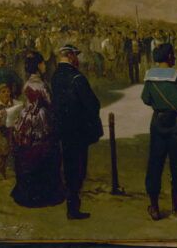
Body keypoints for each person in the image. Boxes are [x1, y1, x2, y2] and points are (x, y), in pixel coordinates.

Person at [141, 43, 177, 221]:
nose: (174, 57)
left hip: (157, 122)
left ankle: (154, 207)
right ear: (169, 57)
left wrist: (158, 105)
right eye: (172, 55)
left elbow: (145, 98)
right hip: (176, 123)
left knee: (155, 164)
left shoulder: (149, 76)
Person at [51, 43, 102, 220]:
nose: (77, 59)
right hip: (78, 131)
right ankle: (73, 209)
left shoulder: (55, 76)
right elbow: (93, 104)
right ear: (70, 56)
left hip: (63, 130)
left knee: (68, 166)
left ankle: (71, 206)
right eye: (75, 55)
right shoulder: (77, 78)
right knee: (78, 169)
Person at [12, 52, 65, 208]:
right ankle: (43, 194)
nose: (44, 66)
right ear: (37, 65)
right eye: (42, 63)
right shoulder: (41, 85)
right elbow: (50, 103)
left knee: (28, 153)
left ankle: (28, 191)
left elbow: (27, 100)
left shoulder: (28, 83)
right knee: (45, 151)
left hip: (27, 118)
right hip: (41, 120)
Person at [0, 82, 22, 179]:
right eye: (3, 92)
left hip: (9, 129)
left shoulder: (13, 102)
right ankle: (0, 172)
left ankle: (3, 171)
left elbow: (21, 106)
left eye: (8, 92)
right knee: (2, 150)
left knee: (8, 149)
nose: (6, 94)